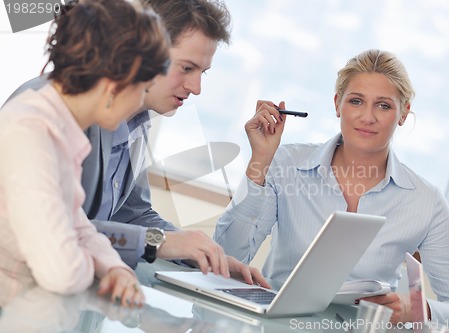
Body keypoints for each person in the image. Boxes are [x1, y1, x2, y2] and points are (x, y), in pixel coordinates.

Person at [5, 0, 268, 287]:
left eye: (202, 72)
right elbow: (65, 234)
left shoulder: (135, 121)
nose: (196, 88)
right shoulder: (55, 117)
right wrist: (156, 244)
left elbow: (130, 216)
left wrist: (193, 250)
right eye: (186, 68)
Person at [214, 49, 449, 327]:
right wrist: (260, 161)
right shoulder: (286, 163)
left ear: (403, 113)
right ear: (337, 104)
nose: (367, 117)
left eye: (383, 105)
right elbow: (225, 257)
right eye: (356, 101)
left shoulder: (425, 201)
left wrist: (417, 308)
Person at [0, 0, 170, 306]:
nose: (141, 104)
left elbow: (78, 224)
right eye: (142, 90)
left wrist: (115, 268)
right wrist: (93, 268)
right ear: (112, 87)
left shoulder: (61, 128)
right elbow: (61, 272)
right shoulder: (32, 131)